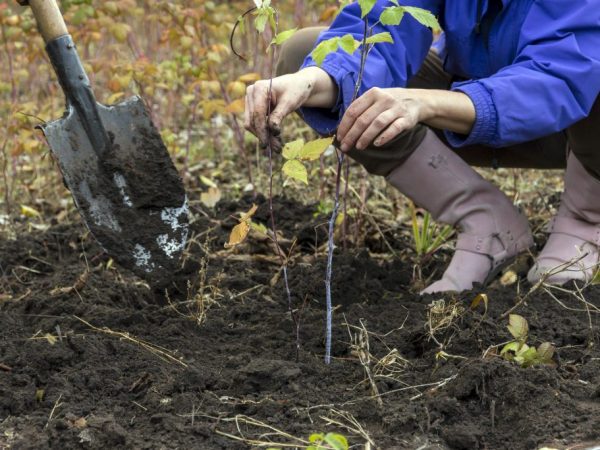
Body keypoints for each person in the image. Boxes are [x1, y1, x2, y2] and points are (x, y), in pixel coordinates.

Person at [244, 0, 600, 294]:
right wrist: (313, 81)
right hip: (473, 107)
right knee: (305, 52)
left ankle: (586, 220)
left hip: (573, 124)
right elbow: (384, 23)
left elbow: (562, 77)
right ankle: (486, 221)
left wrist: (427, 103)